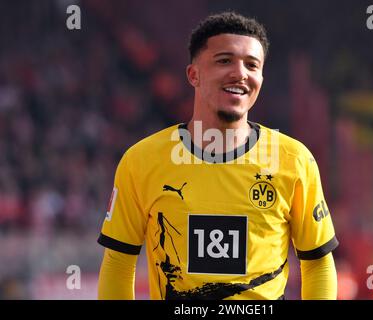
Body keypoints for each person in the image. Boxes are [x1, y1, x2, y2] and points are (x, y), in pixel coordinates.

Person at [97, 11, 338, 300]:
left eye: (252, 64)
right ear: (193, 74)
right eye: (224, 61)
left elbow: (318, 264)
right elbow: (118, 263)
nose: (240, 73)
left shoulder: (294, 159)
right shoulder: (142, 161)